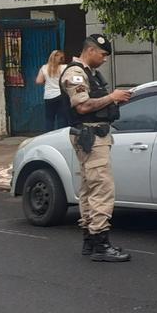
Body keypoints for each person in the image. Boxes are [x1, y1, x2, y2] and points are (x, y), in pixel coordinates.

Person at [60, 34, 133, 262]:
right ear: (90, 51)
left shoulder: (89, 74)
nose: (103, 60)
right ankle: (101, 244)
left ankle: (90, 241)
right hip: (91, 137)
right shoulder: (75, 73)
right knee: (101, 188)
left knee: (90, 189)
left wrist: (112, 100)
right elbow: (82, 106)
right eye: (102, 55)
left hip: (93, 136)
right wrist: (112, 97)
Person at [35, 50, 68, 131]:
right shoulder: (65, 67)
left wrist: (47, 81)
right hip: (61, 95)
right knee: (61, 118)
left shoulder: (44, 68)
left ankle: (48, 137)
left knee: (49, 119)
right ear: (62, 58)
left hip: (49, 96)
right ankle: (61, 137)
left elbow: (38, 81)